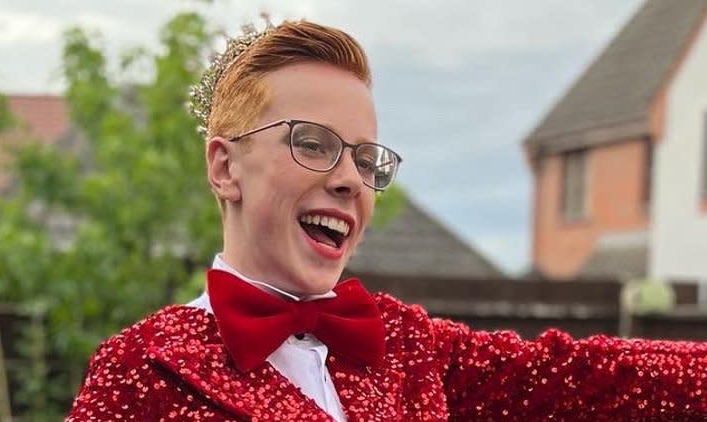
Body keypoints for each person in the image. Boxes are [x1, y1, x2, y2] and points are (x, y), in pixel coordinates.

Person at [65, 20, 707, 421]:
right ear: (226, 168)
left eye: (365, 157)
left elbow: (595, 379)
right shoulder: (141, 372)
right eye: (313, 142)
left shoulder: (406, 346)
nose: (349, 177)